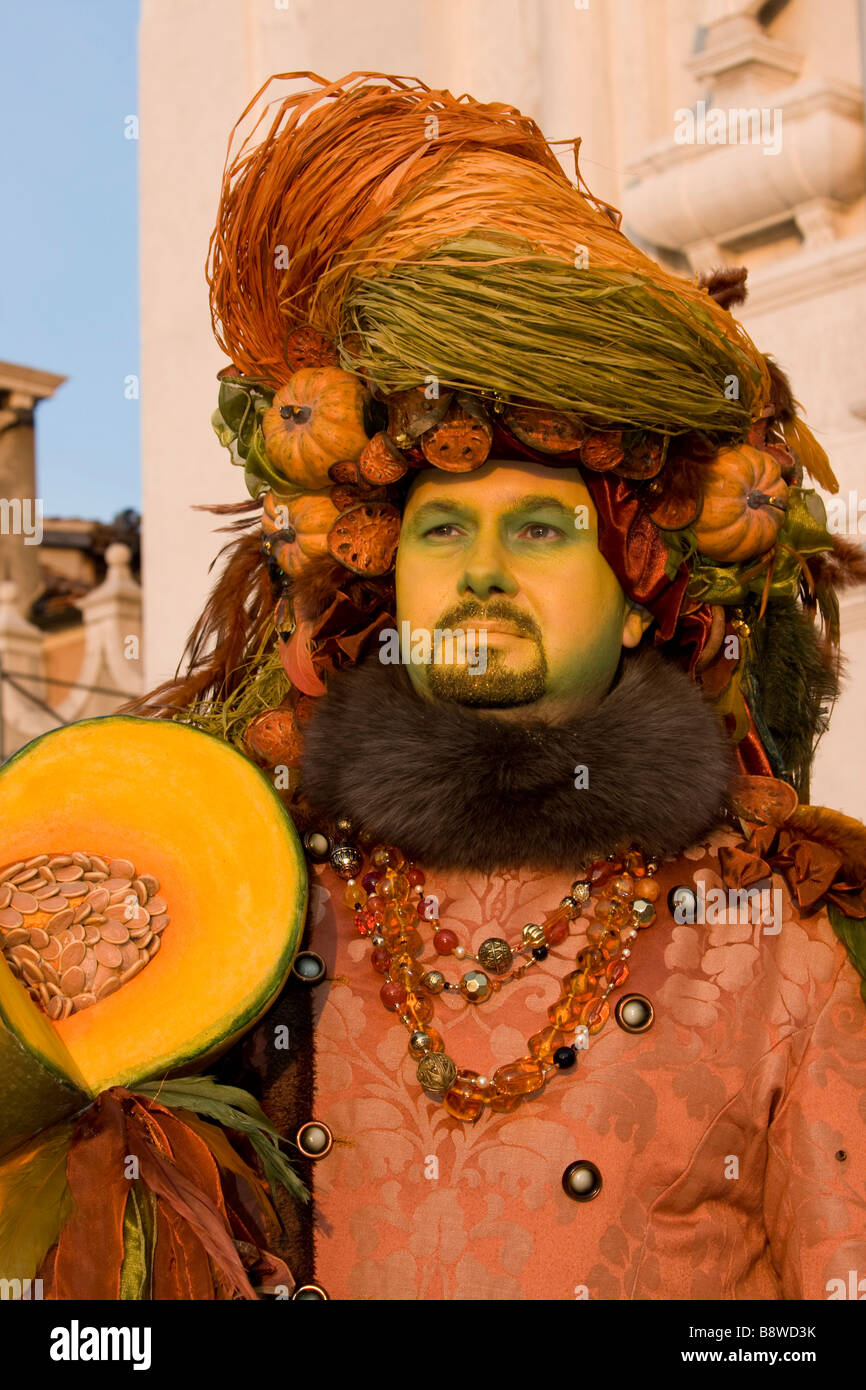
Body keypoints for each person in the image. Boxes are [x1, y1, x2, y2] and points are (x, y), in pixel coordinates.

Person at [132, 72, 866, 1301]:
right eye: (437, 534)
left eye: (535, 530)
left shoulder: (777, 951)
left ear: (639, 584)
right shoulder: (254, 913)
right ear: (380, 577)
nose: (477, 572)